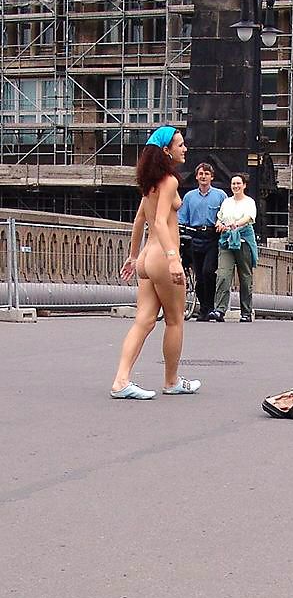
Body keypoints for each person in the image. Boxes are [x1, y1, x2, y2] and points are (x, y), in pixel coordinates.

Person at [110, 125, 201, 399]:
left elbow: (140, 220)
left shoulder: (150, 183)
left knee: (143, 321)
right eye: (180, 144)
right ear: (166, 150)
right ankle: (171, 381)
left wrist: (133, 256)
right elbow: (160, 222)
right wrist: (173, 259)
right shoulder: (169, 181)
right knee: (174, 321)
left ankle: (121, 380)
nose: (184, 149)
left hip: (147, 257)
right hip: (162, 256)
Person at [177, 162, 227, 321]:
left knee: (208, 271)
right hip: (194, 236)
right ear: (196, 177)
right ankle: (203, 308)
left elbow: (227, 215)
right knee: (199, 275)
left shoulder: (220, 195)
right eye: (200, 174)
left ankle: (211, 306)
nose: (203, 176)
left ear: (212, 177)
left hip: (212, 237)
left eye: (206, 174)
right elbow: (182, 218)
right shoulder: (189, 197)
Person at [211, 174, 259, 323]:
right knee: (223, 275)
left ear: (244, 185)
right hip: (227, 241)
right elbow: (220, 217)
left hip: (243, 240)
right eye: (233, 183)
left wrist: (236, 224)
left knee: (245, 277)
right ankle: (220, 310)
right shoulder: (226, 202)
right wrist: (219, 224)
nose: (236, 186)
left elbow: (249, 217)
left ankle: (246, 311)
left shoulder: (249, 202)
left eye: (238, 183)